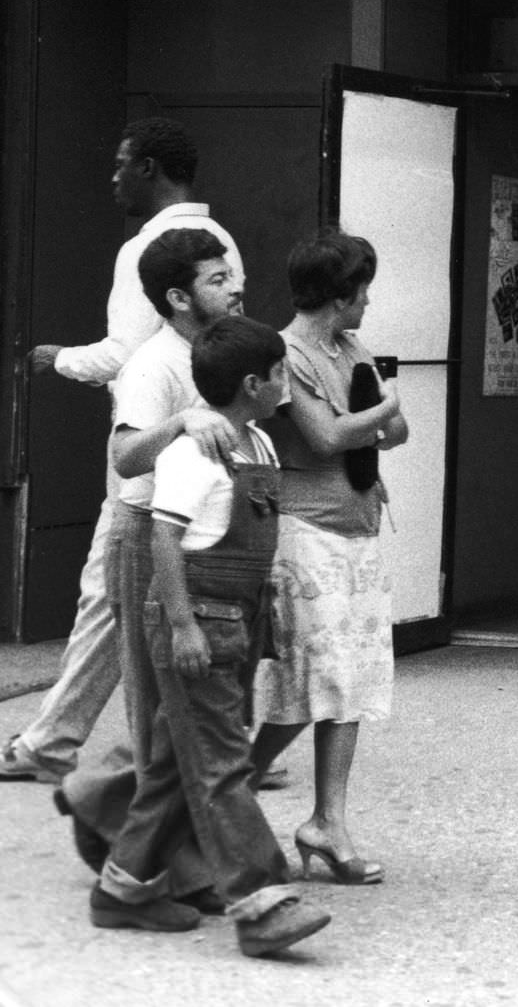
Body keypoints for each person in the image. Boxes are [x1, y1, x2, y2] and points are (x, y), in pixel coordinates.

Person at [1, 118, 243, 783]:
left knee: (112, 593)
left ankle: (61, 745)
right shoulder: (220, 244)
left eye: (120, 164)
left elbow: (124, 354)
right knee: (149, 597)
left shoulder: (149, 249)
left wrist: (57, 359)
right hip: (208, 443)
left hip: (151, 444)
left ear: (150, 169)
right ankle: (65, 738)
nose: (112, 178)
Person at [90, 316, 331, 958]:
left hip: (237, 623)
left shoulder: (259, 444)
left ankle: (123, 888)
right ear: (255, 383)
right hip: (199, 623)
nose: (287, 380)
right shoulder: (196, 451)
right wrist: (180, 626)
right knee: (225, 764)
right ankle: (261, 903)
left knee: (175, 765)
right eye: (281, 372)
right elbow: (165, 537)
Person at [57, 228, 244, 897]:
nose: (235, 285)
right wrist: (183, 423)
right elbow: (127, 456)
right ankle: (155, 862)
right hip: (147, 532)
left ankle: (108, 803)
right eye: (218, 279)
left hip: (207, 537)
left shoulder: (222, 352)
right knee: (157, 707)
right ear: (178, 295)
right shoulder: (153, 363)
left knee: (191, 715)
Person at [250, 229, 408, 885]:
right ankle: (234, 780)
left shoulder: (350, 346)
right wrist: (379, 410)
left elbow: (392, 432)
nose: (369, 300)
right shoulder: (287, 354)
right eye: (362, 289)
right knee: (312, 675)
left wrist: (374, 417)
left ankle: (328, 821)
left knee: (350, 681)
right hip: (306, 530)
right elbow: (321, 437)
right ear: (338, 295)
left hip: (357, 526)